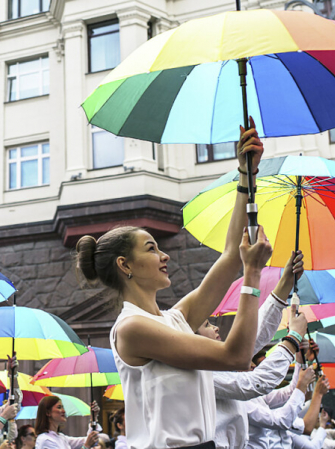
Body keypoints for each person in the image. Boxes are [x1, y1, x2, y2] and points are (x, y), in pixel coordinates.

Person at [79, 119, 268, 448]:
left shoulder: (173, 319)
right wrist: (252, 275)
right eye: (152, 248)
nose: (165, 255)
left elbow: (229, 257)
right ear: (125, 265)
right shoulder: (132, 328)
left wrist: (246, 177)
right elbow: (236, 357)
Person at [209, 251, 307, 449]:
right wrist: (293, 338)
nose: (215, 327)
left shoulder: (215, 364)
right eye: (206, 325)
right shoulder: (200, 371)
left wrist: (284, 284)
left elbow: (249, 340)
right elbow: (256, 383)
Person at [33, 396, 98, 449]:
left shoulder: (61, 437)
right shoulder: (45, 440)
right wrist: (86, 446)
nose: (63, 411)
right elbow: (87, 443)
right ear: (48, 412)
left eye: (63, 407)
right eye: (59, 407)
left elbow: (91, 440)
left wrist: (93, 418)